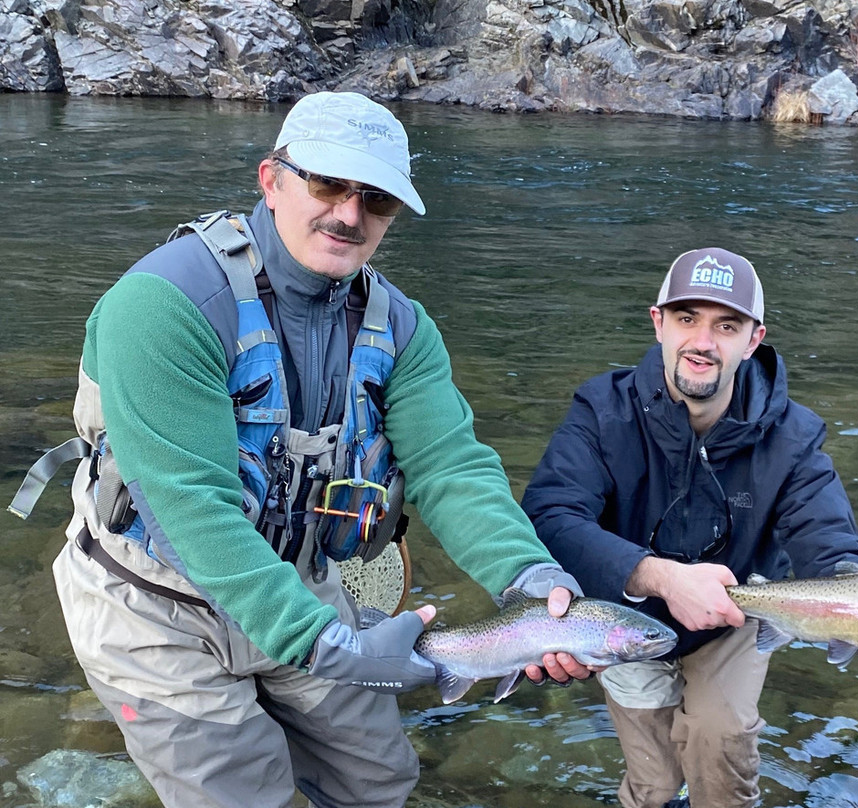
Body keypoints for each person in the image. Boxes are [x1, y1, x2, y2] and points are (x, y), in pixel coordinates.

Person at [33, 92, 591, 808]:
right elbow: (187, 508)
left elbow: (450, 466)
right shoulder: (164, 303)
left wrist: (528, 578)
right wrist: (327, 646)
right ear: (271, 180)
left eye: (377, 199)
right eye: (328, 185)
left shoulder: (403, 329)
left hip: (298, 582)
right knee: (243, 794)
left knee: (377, 779)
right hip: (152, 601)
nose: (350, 215)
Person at [521, 247, 858, 808]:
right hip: (622, 618)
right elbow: (550, 517)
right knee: (654, 784)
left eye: (726, 326)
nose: (703, 341)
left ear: (754, 340)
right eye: (687, 319)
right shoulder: (601, 410)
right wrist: (659, 577)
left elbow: (830, 548)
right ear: (658, 323)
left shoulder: (793, 437)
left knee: (721, 750)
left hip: (739, 617)